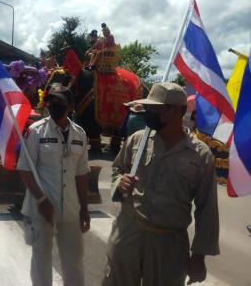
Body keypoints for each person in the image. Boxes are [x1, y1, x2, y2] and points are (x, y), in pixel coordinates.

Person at [103, 83, 219, 286]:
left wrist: (199, 257)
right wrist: (118, 183)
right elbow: (117, 169)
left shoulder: (200, 155)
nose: (149, 112)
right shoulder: (137, 140)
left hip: (169, 244)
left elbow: (207, 208)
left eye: (155, 108)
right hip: (128, 231)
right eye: (148, 108)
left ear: (177, 111)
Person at [17, 84, 90, 286]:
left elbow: (82, 173)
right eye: (51, 101)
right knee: (41, 258)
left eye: (60, 102)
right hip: (42, 207)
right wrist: (41, 199)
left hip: (71, 208)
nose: (54, 105)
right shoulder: (36, 131)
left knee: (74, 259)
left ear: (71, 106)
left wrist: (85, 208)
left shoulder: (79, 134)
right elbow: (24, 168)